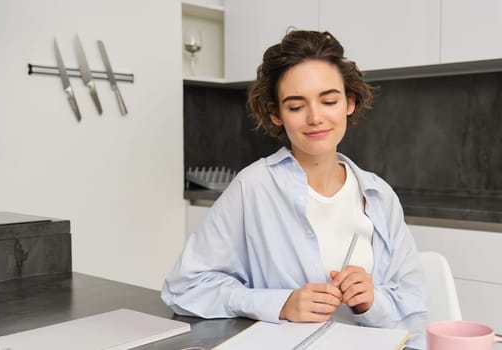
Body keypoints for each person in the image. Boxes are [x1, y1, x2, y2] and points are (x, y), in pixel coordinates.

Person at [162, 30, 428, 348]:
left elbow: (414, 306)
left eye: (329, 100)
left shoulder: (379, 195)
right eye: (296, 106)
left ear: (349, 103)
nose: (315, 117)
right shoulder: (254, 187)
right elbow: (184, 288)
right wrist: (281, 304)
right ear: (276, 114)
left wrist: (372, 301)